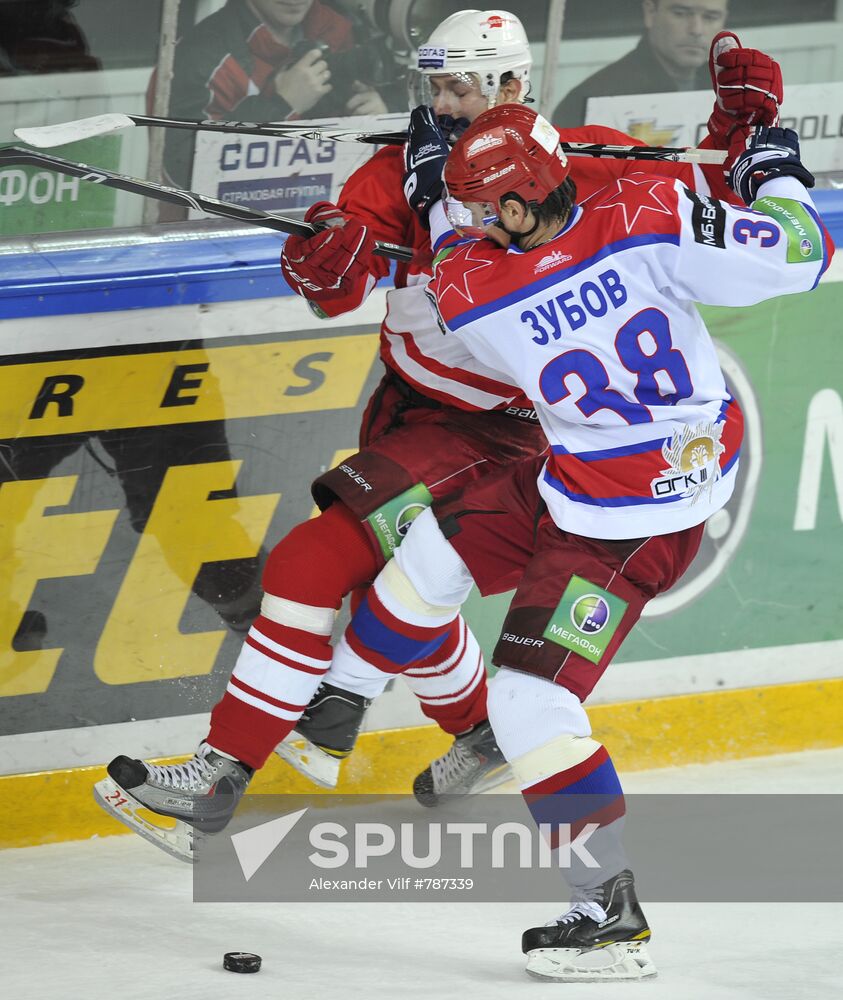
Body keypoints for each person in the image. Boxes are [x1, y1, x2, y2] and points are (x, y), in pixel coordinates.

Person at [91, 13, 785, 864]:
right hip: (414, 414)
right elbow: (337, 286)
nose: (441, 103)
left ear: (511, 89)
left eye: (459, 88)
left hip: (513, 433)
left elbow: (701, 197)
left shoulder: (563, 165)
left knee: (315, 564)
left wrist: (731, 133)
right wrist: (331, 256)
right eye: (434, 88)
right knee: (406, 580)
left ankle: (217, 777)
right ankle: (479, 730)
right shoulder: (406, 172)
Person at [331, 105, 832, 980]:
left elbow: (445, 254)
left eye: (486, 207)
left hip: (631, 522)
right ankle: (334, 708)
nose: (478, 221)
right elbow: (802, 249)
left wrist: (423, 190)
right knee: (430, 555)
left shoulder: (476, 290)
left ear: (517, 209)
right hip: (608, 467)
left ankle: (607, 913)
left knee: (527, 702)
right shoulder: (649, 207)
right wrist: (769, 166)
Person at [160, 0, 390, 186]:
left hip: (325, 217)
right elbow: (181, 172)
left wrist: (381, 120)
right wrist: (281, 105)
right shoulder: (199, 58)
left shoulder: (339, 28)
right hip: (225, 230)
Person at [553, 0, 730, 127]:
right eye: (681, 13)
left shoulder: (732, 89)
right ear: (650, 13)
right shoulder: (589, 98)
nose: (696, 30)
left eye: (710, 17)